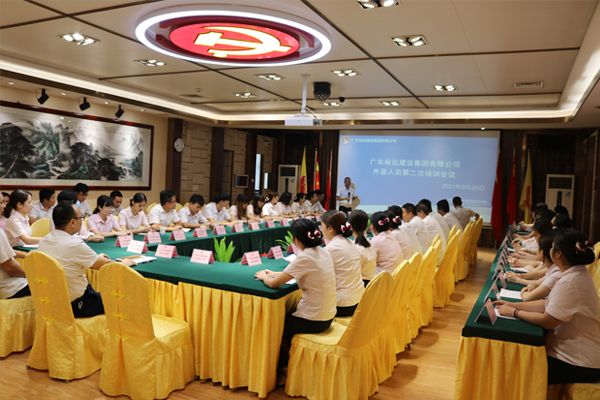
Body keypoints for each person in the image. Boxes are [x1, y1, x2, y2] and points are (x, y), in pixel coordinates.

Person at [495, 229, 600, 391]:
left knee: (518, 369)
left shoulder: (571, 281)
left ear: (557, 254)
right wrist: (513, 305)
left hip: (580, 361)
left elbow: (548, 321)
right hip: (578, 354)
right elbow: (546, 305)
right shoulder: (575, 274)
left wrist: (514, 312)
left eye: (552, 247)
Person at [255, 219, 336, 376]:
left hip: (314, 321)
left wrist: (264, 277)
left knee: (276, 326)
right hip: (328, 315)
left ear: (296, 240)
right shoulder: (322, 251)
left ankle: (280, 371)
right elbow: (291, 273)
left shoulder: (305, 257)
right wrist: (273, 273)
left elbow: (274, 284)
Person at [38, 202, 134, 318]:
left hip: (50, 299)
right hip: (76, 303)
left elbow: (91, 260)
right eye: (81, 218)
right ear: (73, 222)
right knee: (123, 300)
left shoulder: (44, 240)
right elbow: (106, 265)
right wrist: (125, 263)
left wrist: (97, 257)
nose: (82, 221)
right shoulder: (74, 244)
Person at [321, 210, 365, 317]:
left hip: (343, 305)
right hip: (359, 299)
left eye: (321, 226)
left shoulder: (332, 248)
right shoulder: (350, 242)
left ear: (330, 229)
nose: (320, 229)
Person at [507, 231, 561, 301]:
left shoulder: (557, 271)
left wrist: (519, 281)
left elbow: (528, 297)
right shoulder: (553, 266)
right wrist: (519, 273)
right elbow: (538, 281)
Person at [348, 210, 377, 285]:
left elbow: (353, 274)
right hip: (371, 282)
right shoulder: (370, 243)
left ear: (350, 226)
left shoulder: (356, 248)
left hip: (363, 285)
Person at [0, 229, 29, 299]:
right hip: (11, 288)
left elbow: (5, 251)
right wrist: (30, 275)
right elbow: (10, 268)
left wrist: (26, 255)